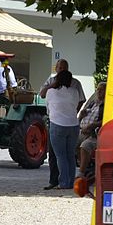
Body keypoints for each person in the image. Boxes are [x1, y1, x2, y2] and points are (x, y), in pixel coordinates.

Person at [40, 59, 86, 190]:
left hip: (57, 124)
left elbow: (48, 106)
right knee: (70, 154)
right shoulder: (74, 91)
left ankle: (64, 182)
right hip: (73, 124)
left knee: (60, 156)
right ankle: (70, 181)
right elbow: (78, 102)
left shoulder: (51, 91)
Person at [77, 80, 107, 178]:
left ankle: (81, 174)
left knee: (85, 146)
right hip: (82, 130)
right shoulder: (93, 103)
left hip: (95, 133)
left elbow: (106, 121)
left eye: (101, 90)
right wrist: (81, 116)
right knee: (69, 143)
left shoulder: (106, 105)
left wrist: (91, 126)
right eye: (97, 90)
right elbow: (81, 115)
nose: (98, 92)